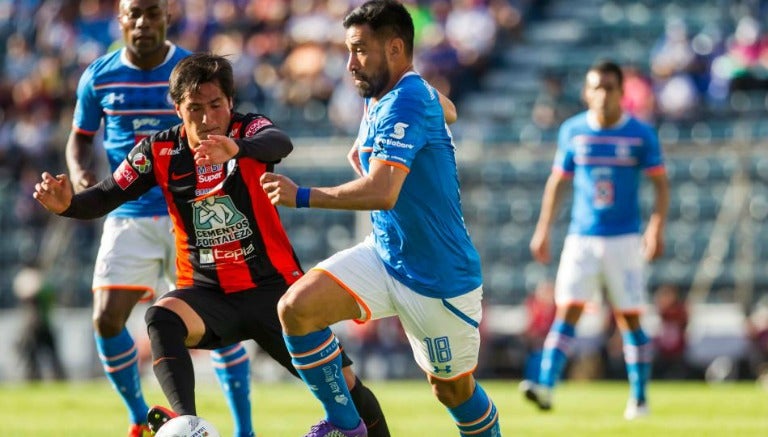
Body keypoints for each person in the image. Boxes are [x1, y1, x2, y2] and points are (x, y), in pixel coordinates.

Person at [35, 53, 389, 437]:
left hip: (275, 292)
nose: (207, 119)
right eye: (195, 108)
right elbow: (105, 195)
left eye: (216, 105)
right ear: (177, 109)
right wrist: (67, 205)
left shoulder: (248, 128)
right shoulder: (158, 151)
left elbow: (279, 142)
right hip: (208, 295)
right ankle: (187, 424)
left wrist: (237, 147)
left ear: (230, 103)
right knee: (161, 316)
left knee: (346, 384)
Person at [260, 2, 501, 436]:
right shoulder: (393, 93)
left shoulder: (404, 99)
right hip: (385, 255)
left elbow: (383, 192)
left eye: (359, 50)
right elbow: (450, 109)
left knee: (452, 392)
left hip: (438, 279)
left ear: (394, 48)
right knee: (297, 309)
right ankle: (348, 428)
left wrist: (302, 196)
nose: (349, 62)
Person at [64, 2, 256, 436]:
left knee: (220, 327)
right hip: (127, 213)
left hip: (189, 214)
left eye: (152, 13)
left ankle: (245, 429)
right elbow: (79, 140)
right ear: (121, 19)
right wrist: (81, 176)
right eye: (135, 14)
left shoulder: (188, 71)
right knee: (106, 318)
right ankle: (138, 417)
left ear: (167, 16)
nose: (143, 22)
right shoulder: (98, 75)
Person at [521, 60, 669, 421]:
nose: (602, 94)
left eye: (609, 87)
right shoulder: (573, 131)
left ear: (622, 92)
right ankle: (545, 385)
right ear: (587, 93)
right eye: (595, 87)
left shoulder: (640, 134)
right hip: (582, 237)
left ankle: (639, 398)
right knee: (567, 310)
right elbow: (558, 182)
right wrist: (543, 229)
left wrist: (655, 227)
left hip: (623, 239)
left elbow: (660, 183)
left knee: (630, 318)